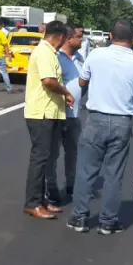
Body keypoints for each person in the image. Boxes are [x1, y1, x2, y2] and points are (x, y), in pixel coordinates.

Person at [67, 19, 133, 235]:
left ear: (110, 36)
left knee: (86, 171)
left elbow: (82, 82)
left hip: (96, 119)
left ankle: (79, 218)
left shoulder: (95, 55)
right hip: (123, 121)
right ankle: (108, 221)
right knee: (114, 174)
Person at [22, 21, 72, 219]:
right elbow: (49, 81)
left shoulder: (49, 53)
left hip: (49, 112)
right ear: (60, 37)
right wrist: (66, 93)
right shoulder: (44, 53)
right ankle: (32, 202)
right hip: (41, 113)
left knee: (45, 159)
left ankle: (41, 200)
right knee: (40, 159)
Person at [46, 23, 86, 204]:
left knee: (73, 152)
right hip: (57, 113)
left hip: (73, 115)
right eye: (79, 36)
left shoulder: (81, 58)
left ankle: (71, 184)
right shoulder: (55, 58)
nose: (82, 39)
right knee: (52, 153)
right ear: (68, 38)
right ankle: (51, 188)